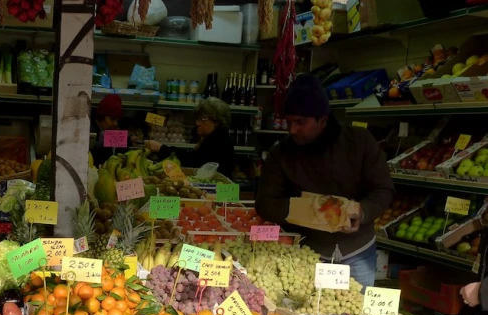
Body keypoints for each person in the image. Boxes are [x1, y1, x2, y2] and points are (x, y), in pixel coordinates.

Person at [255, 74, 394, 289]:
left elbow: (383, 189)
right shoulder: (280, 154)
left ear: (323, 120)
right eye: (289, 122)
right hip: (308, 253)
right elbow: (266, 203)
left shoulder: (359, 142)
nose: (292, 130)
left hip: (357, 251)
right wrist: (310, 211)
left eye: (301, 123)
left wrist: (362, 211)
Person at [144, 97, 235, 174]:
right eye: (197, 119)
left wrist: (161, 148)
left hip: (220, 191)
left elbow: (193, 161)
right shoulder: (214, 136)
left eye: (203, 119)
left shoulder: (218, 140)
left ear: (217, 121)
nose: (197, 123)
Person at [91, 94, 127, 168]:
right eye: (112, 119)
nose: (116, 124)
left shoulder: (112, 131)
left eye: (117, 120)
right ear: (101, 117)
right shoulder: (90, 130)